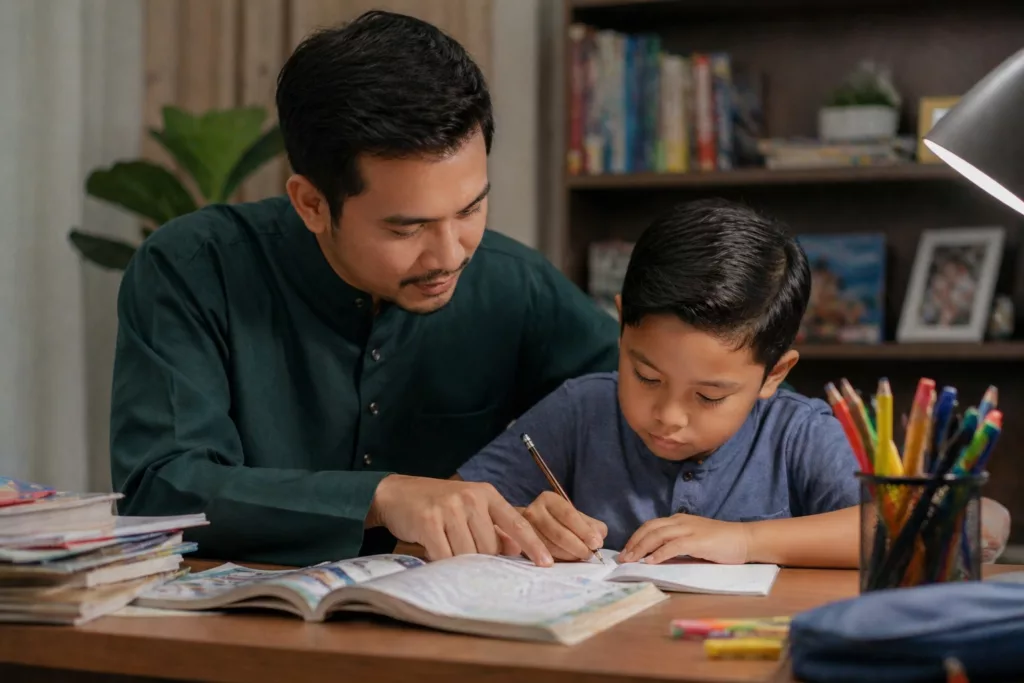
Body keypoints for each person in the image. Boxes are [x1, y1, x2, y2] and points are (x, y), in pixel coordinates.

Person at [108, 11, 618, 567]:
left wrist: (553, 501)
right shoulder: (193, 269)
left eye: (471, 208)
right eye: (407, 227)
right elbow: (162, 490)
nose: (450, 255)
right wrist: (378, 497)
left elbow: (660, 398)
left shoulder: (513, 283)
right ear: (311, 204)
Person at [458, 199, 1011, 568]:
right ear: (621, 325)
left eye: (709, 395)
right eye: (645, 375)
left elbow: (947, 524)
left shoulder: (795, 434)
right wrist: (521, 525)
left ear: (775, 373)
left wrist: (747, 541)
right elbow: (451, 512)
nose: (669, 415)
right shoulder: (579, 412)